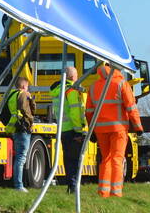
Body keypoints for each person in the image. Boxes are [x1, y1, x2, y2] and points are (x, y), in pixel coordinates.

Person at [85, 63, 144, 198]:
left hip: (100, 129)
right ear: (117, 69)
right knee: (117, 158)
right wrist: (138, 126)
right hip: (118, 128)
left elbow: (88, 112)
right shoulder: (121, 84)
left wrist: (91, 128)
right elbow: (131, 107)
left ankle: (103, 191)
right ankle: (116, 192)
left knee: (105, 159)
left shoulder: (93, 87)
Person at [50, 66, 87, 194]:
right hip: (73, 129)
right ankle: (74, 186)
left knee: (68, 158)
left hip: (63, 129)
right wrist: (79, 131)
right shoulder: (71, 90)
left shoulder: (58, 90)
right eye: (76, 76)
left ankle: (71, 185)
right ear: (72, 77)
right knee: (76, 159)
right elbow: (75, 112)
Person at [6, 77, 36, 192]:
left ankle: (18, 184)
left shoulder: (12, 95)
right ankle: (19, 185)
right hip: (23, 128)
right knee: (21, 157)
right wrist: (30, 122)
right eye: (27, 86)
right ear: (24, 86)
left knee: (19, 157)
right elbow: (26, 110)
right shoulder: (23, 94)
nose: (27, 88)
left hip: (16, 127)